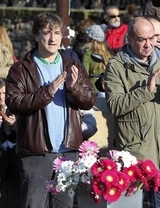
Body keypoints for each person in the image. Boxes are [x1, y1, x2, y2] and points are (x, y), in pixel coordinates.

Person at [5, 12, 96, 208]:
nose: (53, 38)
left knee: (64, 205)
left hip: (68, 152)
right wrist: (48, 92)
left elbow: (89, 100)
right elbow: (14, 102)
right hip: (36, 152)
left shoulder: (72, 64)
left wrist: (74, 88)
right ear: (36, 35)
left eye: (56, 32)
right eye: (47, 32)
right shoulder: (20, 69)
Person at [104, 16, 160, 208]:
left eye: (152, 38)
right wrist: (145, 91)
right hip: (136, 150)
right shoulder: (117, 66)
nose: (148, 44)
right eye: (142, 39)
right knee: (131, 205)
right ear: (130, 39)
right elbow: (115, 105)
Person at [0, 77, 19, 207]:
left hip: (15, 150)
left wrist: (14, 125)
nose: (1, 97)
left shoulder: (17, 108)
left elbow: (26, 132)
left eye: (3, 93)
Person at [82, 24, 113, 89]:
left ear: (91, 39)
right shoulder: (108, 53)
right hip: (107, 88)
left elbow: (84, 74)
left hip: (93, 89)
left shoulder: (88, 53)